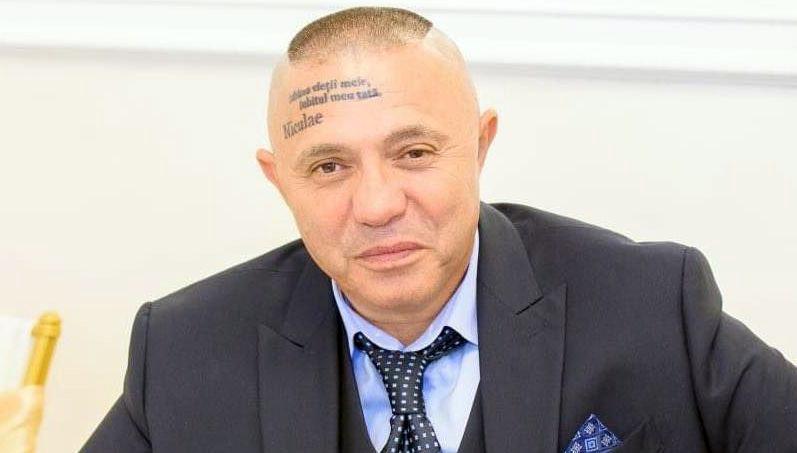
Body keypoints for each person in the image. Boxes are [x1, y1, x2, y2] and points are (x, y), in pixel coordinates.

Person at [80, 6, 797, 453]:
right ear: (279, 180)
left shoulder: (652, 304)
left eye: (414, 153)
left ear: (479, 146)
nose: (377, 204)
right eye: (328, 166)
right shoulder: (183, 352)